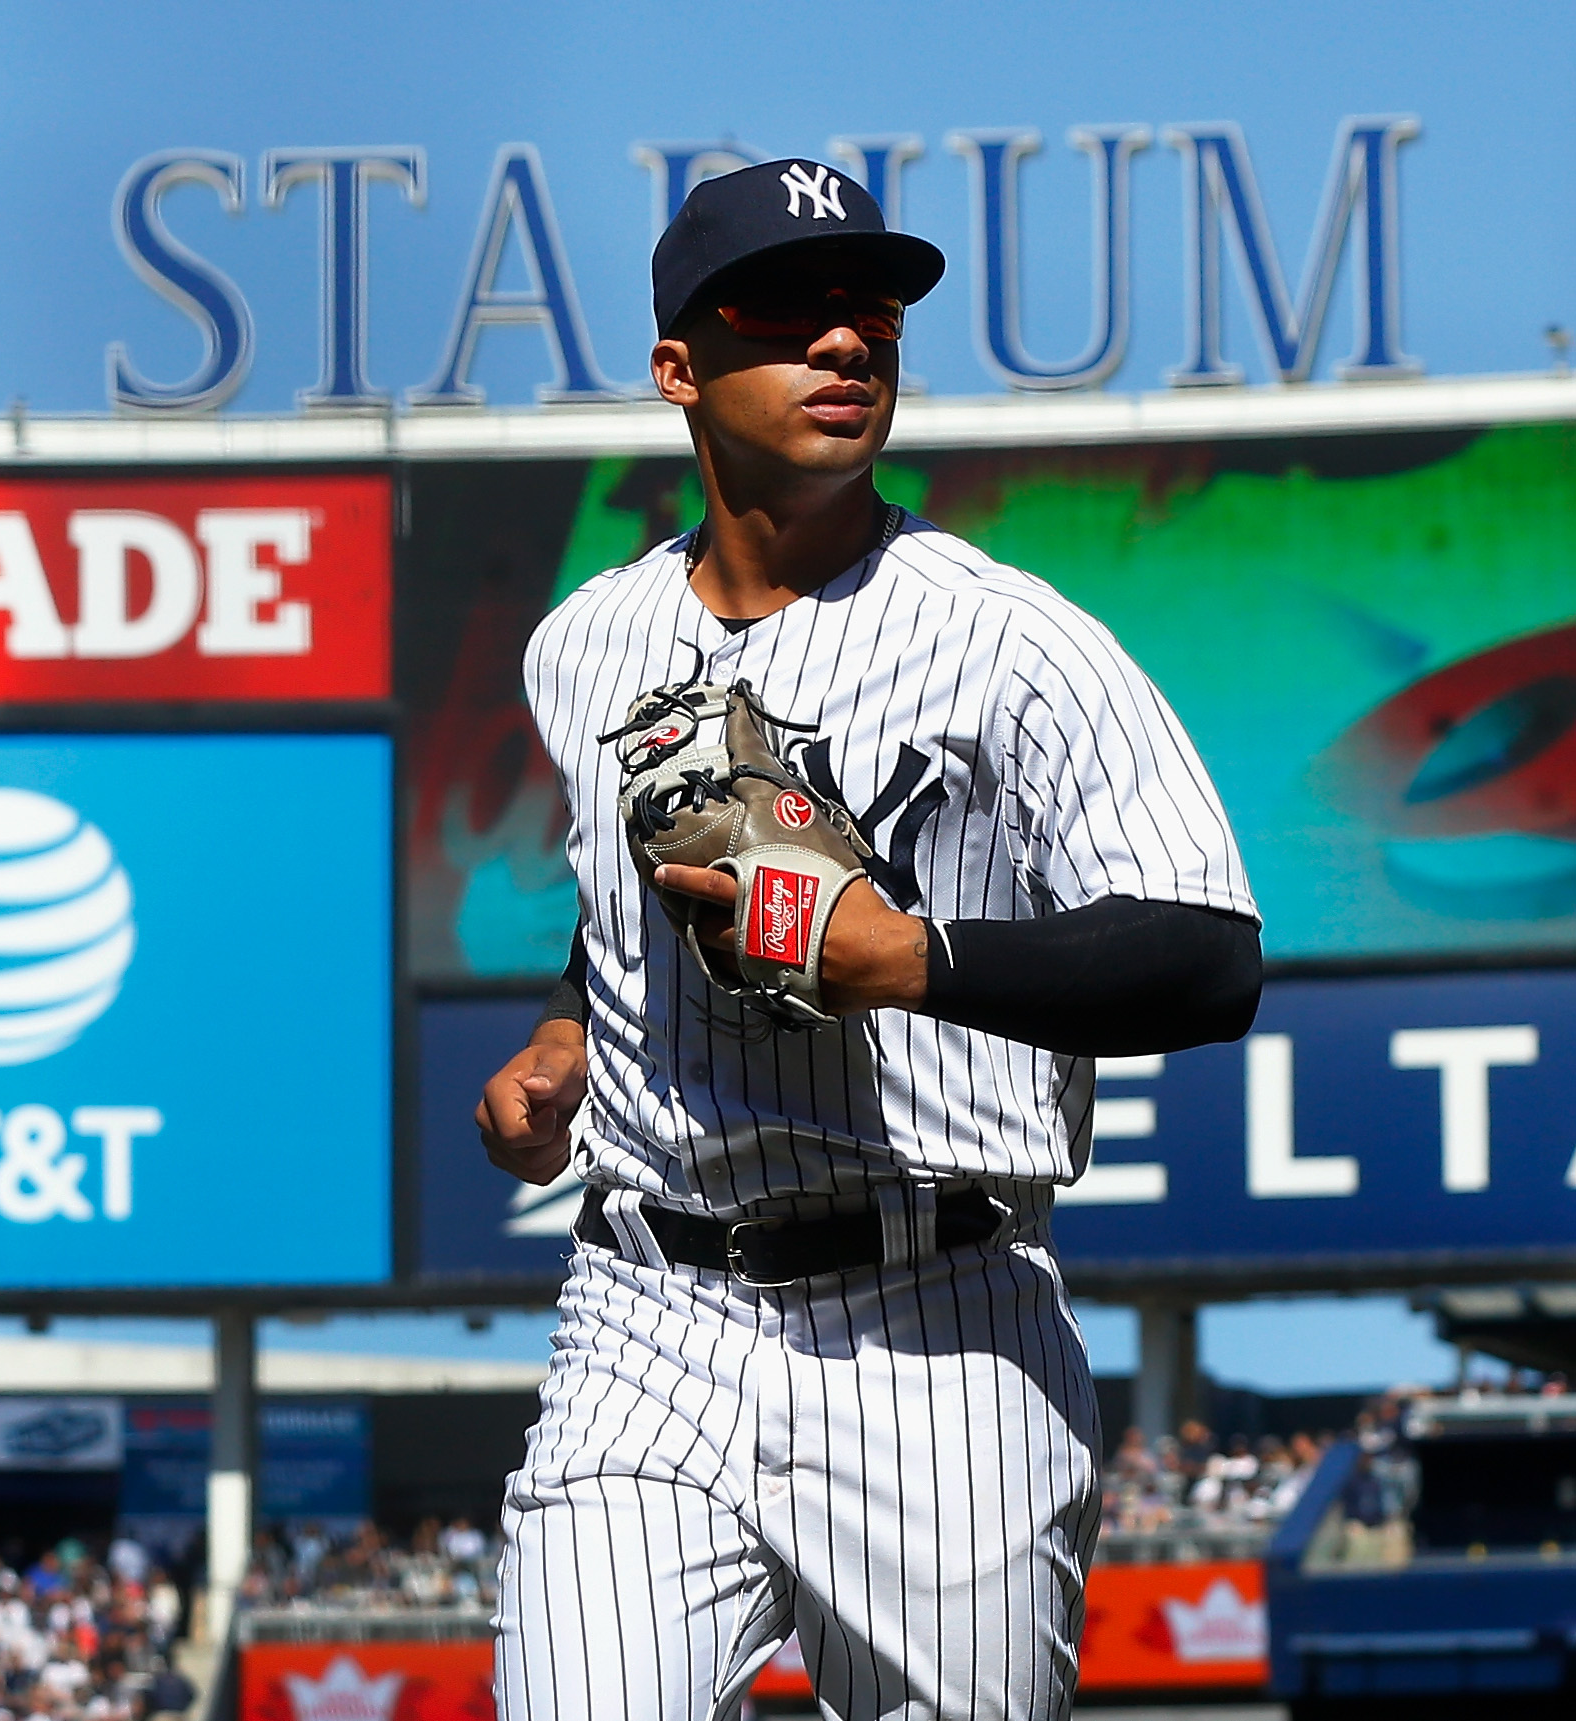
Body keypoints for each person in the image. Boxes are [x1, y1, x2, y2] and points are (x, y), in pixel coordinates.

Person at [475, 157, 1261, 1721]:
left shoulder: (1013, 639)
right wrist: (569, 1031)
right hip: (650, 1309)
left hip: (936, 1319)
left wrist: (909, 960)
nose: (848, 342)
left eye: (874, 312)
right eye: (791, 310)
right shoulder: (585, 645)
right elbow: (620, 901)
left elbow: (1210, 951)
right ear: (679, 368)